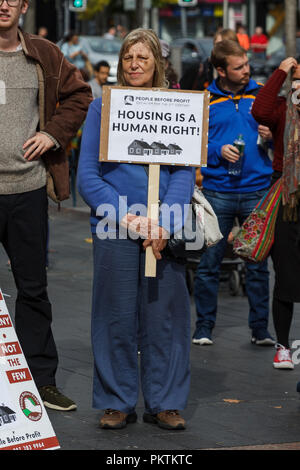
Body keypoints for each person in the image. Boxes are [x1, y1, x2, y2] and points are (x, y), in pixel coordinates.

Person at [77, 28, 194, 431]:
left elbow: (183, 174)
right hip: (115, 228)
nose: (134, 64)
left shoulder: (177, 106)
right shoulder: (101, 108)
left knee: (166, 318)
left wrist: (165, 222)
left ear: (158, 63)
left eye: (143, 58)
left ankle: (166, 401)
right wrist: (127, 216)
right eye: (129, 57)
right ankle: (116, 400)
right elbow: (88, 177)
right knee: (115, 316)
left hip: (164, 231)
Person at [0, 0, 92, 409]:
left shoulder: (44, 53)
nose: (3, 4)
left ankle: (41, 382)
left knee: (33, 290)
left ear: (23, 6)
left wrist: (53, 134)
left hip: (28, 190)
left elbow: (80, 94)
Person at [192, 40, 274, 346]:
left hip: (257, 190)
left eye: (247, 65)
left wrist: (272, 134)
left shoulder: (262, 93)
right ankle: (203, 327)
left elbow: (284, 132)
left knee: (258, 265)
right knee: (208, 264)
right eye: (239, 67)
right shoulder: (205, 100)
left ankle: (260, 330)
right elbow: (194, 144)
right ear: (221, 70)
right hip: (217, 190)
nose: (246, 71)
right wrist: (217, 150)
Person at [252, 57, 300, 369]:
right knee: (284, 271)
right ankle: (283, 345)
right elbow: (260, 111)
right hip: (287, 196)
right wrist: (280, 70)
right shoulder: (284, 110)